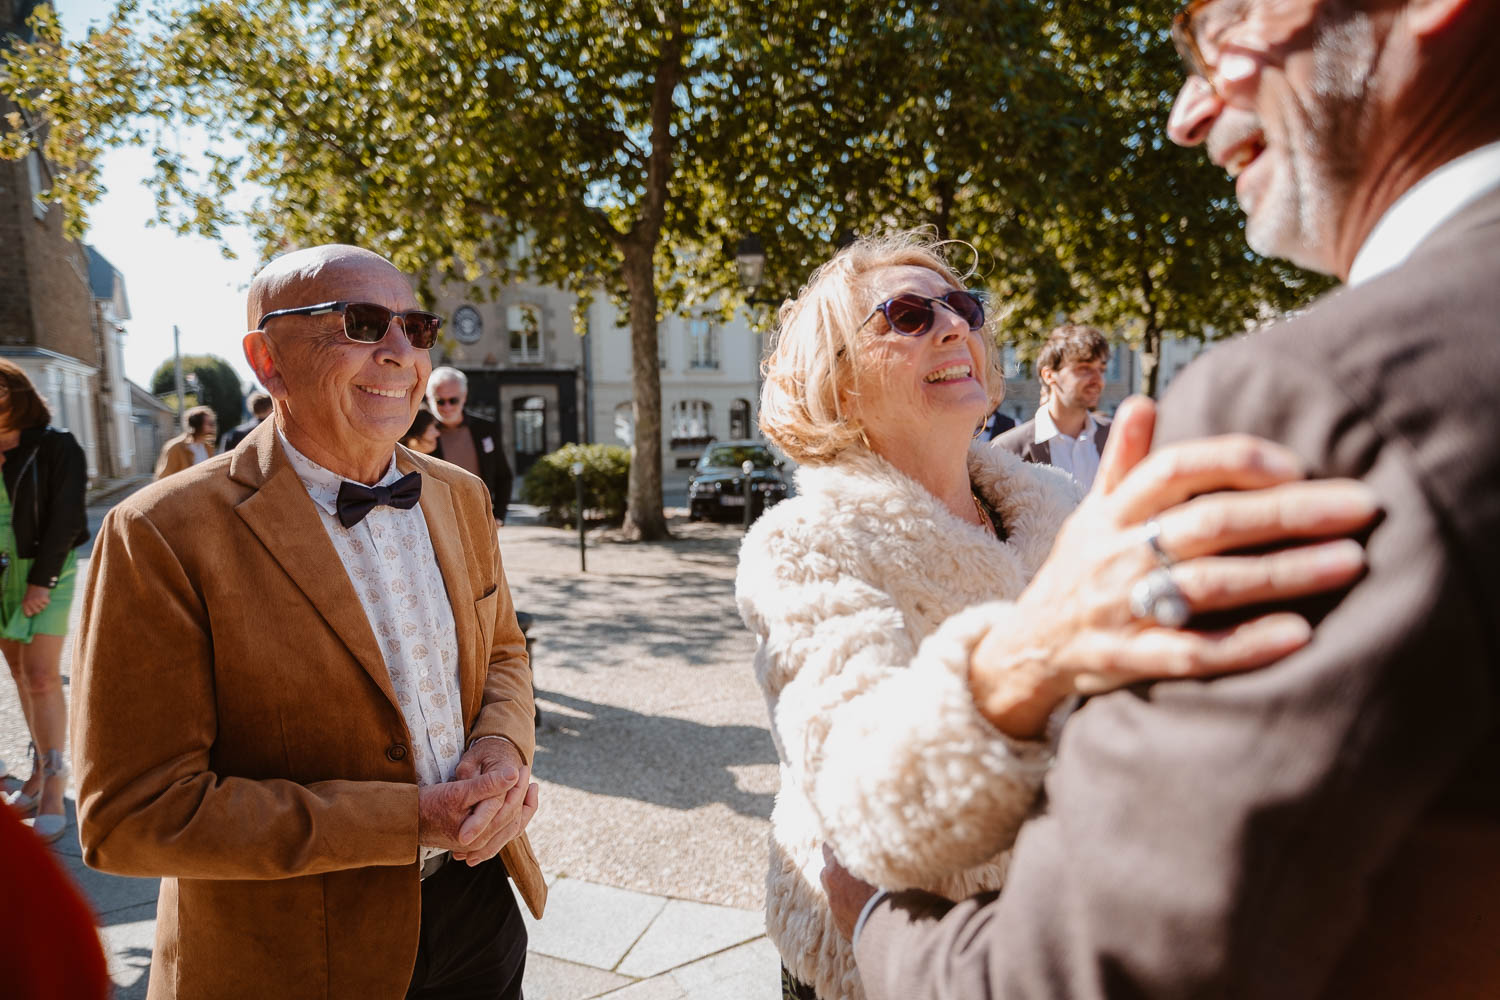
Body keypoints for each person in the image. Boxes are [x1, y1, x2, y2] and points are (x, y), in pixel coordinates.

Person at [835, 2, 1500, 997]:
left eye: (1224, 23)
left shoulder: (1314, 400)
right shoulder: (816, 536)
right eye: (905, 313)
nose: (1186, 115)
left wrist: (877, 920)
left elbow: (1106, 966)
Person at [736, 233, 1377, 1000]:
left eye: (963, 308)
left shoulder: (1062, 509)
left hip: (1047, 938)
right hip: (876, 955)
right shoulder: (803, 542)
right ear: (835, 384)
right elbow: (864, 811)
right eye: (905, 315)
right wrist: (1036, 653)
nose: (953, 328)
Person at [72, 245, 545, 999]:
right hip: (287, 956)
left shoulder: (460, 495)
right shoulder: (160, 531)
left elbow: (505, 656)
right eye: (360, 324)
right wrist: (408, 820)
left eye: (416, 328)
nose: (400, 353)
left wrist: (498, 743)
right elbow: (131, 815)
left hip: (479, 911)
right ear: (267, 358)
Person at [0, 361, 88, 846]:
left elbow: (67, 517)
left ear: (17, 393)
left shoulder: (57, 446)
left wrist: (41, 580)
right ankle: (36, 772)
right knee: (17, 674)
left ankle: (56, 782)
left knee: (40, 674)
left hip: (43, 569)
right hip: (0, 571)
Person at [995, 324, 1111, 491]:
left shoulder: (1114, 436)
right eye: (1084, 368)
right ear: (1049, 376)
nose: (1098, 380)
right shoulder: (1007, 450)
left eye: (1102, 369)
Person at [427, 367, 514, 526]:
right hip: (437, 523)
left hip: (480, 518)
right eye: (440, 401)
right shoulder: (418, 434)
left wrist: (499, 516)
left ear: (464, 397)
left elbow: (503, 475)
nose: (447, 407)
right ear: (429, 398)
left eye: (453, 400)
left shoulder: (486, 429)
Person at [153, 404, 217, 478]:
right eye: (210, 424)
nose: (213, 427)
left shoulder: (208, 448)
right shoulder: (175, 448)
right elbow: (163, 478)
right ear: (198, 424)